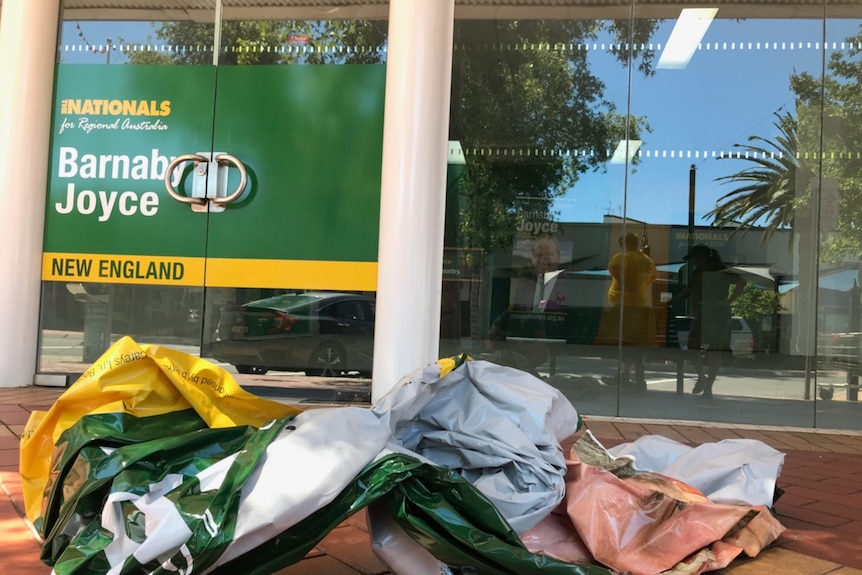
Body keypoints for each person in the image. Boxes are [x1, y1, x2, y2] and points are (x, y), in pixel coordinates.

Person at [669, 244, 745, 398]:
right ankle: (702, 377)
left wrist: (728, 301)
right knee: (692, 345)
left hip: (718, 314)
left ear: (703, 257)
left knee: (715, 351)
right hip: (703, 313)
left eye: (695, 258)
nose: (694, 262)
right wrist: (672, 300)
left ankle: (708, 387)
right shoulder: (698, 273)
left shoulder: (721, 270)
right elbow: (689, 291)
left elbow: (741, 282)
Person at [486, 235, 565, 374]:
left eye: (549, 255)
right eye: (538, 255)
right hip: (524, 351)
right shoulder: (524, 287)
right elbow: (513, 314)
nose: (543, 260)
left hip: (558, 352)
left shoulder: (570, 285)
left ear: (558, 256)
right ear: (532, 258)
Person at [607, 233, 658, 391]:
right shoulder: (647, 261)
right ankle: (637, 378)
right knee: (637, 343)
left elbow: (616, 274)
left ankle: (622, 375)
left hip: (622, 305)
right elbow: (652, 278)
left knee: (626, 342)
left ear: (624, 243)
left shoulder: (618, 259)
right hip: (640, 305)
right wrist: (644, 256)